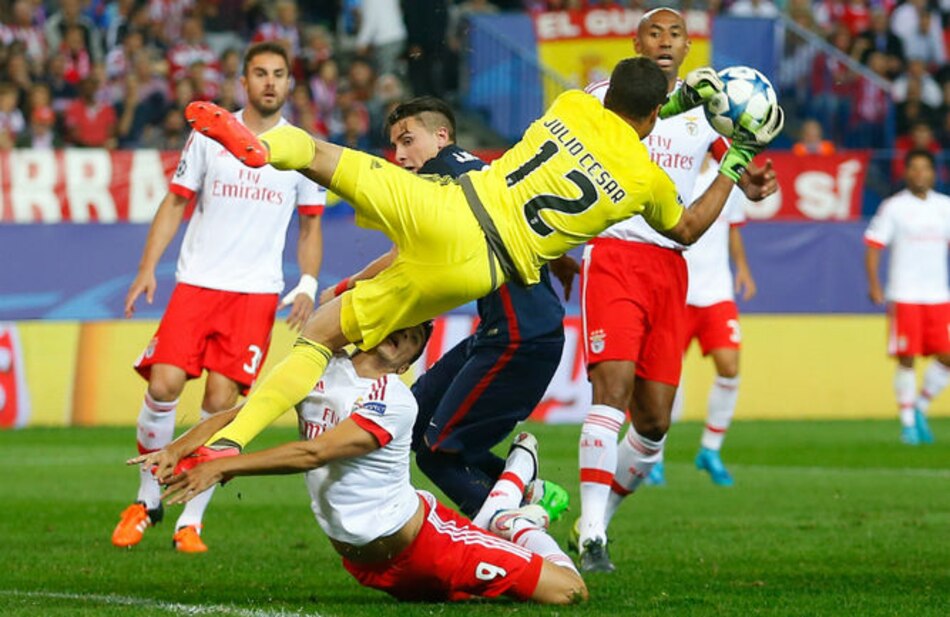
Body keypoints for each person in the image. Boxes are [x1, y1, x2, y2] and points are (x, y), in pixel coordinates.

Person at [179, 55, 783, 504]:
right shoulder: (647, 181)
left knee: (318, 170)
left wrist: (678, 102)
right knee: (344, 346)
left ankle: (264, 147)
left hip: (451, 206)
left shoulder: (573, 105)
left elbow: (629, 109)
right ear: (653, 113)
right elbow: (686, 227)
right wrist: (733, 158)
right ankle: (229, 447)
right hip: (479, 267)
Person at [132, 324, 588, 604]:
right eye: (401, 325)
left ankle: (515, 520)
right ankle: (504, 507)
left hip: (430, 546)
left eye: (415, 338)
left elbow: (315, 452)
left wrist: (225, 466)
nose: (404, 335)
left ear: (409, 361)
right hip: (372, 569)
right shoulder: (318, 370)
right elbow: (241, 414)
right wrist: (178, 447)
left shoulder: (394, 400)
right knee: (479, 597)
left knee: (568, 591)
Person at [567, 8, 778, 573]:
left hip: (671, 268)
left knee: (655, 424)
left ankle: (597, 522)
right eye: (654, 33)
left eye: (675, 34)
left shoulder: (709, 113)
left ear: (688, 48)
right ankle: (592, 537)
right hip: (614, 253)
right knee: (611, 390)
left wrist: (754, 180)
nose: (665, 41)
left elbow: (737, 171)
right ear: (636, 44)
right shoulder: (606, 97)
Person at [111, 42, 328, 553]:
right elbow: (176, 202)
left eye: (279, 73)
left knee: (219, 404)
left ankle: (191, 522)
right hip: (198, 282)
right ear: (243, 82)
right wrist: (146, 268)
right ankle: (147, 500)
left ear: (289, 83)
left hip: (255, 294)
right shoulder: (210, 133)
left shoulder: (301, 148)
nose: (270, 82)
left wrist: (307, 283)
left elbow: (310, 227)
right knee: (163, 383)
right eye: (260, 73)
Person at [321, 96, 568, 522]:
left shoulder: (439, 178)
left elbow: (403, 257)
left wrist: (343, 289)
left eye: (407, 140)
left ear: (441, 136)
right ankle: (527, 491)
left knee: (439, 454)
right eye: (394, 146)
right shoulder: (483, 171)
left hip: (519, 338)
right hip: (508, 330)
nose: (399, 155)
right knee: (415, 421)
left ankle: (514, 533)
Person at [653, 154, 756, 487]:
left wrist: (742, 268)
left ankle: (710, 449)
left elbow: (733, 228)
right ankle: (653, 457)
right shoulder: (673, 172)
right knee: (665, 379)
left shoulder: (727, 179)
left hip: (716, 292)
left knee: (730, 367)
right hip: (677, 293)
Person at [865, 149, 950, 445]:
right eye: (914, 168)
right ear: (906, 173)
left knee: (947, 356)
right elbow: (874, 245)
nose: (919, 174)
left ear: (934, 173)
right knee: (907, 358)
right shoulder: (894, 207)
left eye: (925, 168)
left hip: (939, 295)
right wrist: (874, 284)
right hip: (905, 294)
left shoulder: (945, 206)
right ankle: (908, 424)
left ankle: (920, 406)